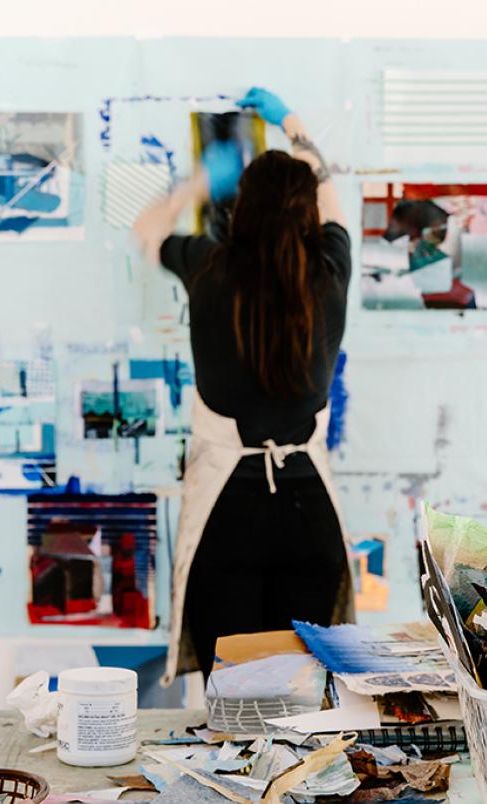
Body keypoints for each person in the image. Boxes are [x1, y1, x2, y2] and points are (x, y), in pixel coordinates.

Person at [133, 88, 354, 683]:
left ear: (242, 208)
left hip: (227, 514)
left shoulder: (208, 265)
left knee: (232, 699)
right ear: (306, 212)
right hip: (310, 516)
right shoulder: (331, 268)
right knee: (304, 702)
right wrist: (293, 122)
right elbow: (330, 200)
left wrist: (196, 184)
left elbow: (146, 229)